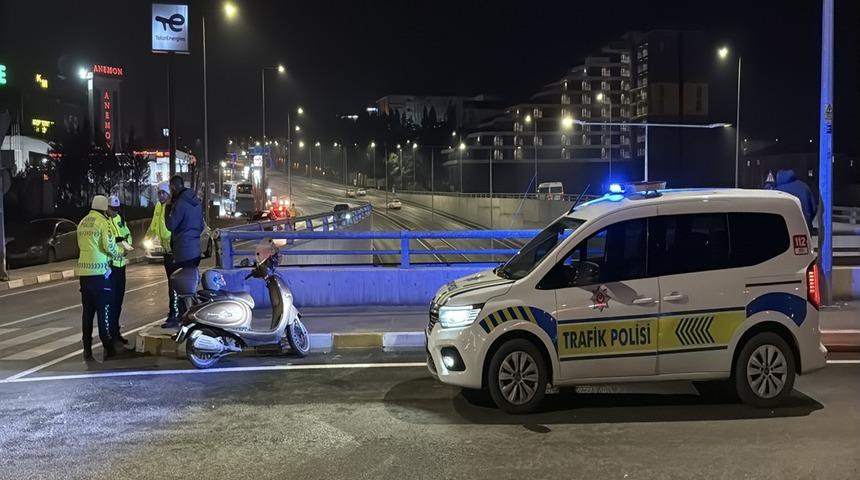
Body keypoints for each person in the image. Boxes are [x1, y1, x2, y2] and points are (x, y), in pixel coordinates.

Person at [75, 195, 123, 361]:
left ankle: (87, 349)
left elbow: (80, 245)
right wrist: (121, 251)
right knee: (105, 311)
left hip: (84, 275)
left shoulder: (82, 223)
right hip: (101, 274)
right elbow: (109, 246)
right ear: (104, 208)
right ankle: (108, 346)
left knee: (87, 313)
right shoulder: (103, 223)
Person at [163, 175, 204, 328]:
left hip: (182, 251)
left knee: (177, 284)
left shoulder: (179, 204)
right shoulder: (196, 202)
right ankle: (191, 316)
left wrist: (167, 207)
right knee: (190, 286)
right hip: (195, 250)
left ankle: (181, 318)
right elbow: (200, 226)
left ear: (173, 187)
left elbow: (170, 225)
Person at [146, 183, 177, 326]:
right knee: (171, 284)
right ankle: (174, 313)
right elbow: (154, 224)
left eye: (163, 193)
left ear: (168, 194)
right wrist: (147, 237)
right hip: (166, 251)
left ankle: (174, 314)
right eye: (159, 193)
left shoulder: (171, 207)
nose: (161, 196)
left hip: (173, 250)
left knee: (174, 285)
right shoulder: (159, 206)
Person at [107, 195, 132, 345]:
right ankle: (109, 333)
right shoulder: (105, 222)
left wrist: (127, 245)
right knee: (110, 302)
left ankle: (115, 332)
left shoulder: (120, 220)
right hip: (110, 266)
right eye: (112, 209)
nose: (114, 212)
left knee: (118, 301)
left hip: (121, 265)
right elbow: (107, 243)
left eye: (116, 209)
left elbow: (128, 236)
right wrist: (119, 249)